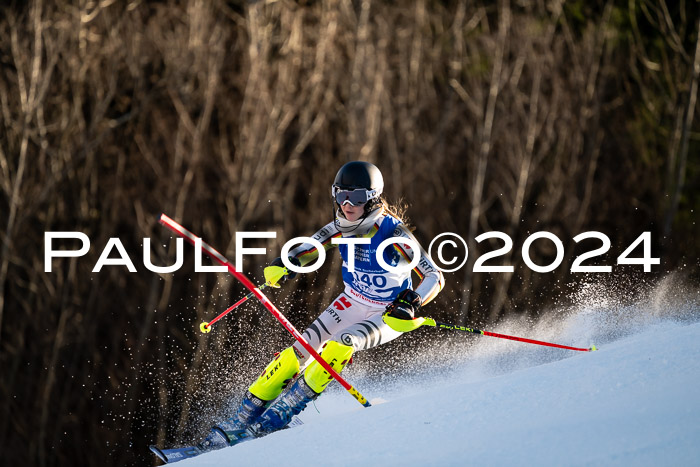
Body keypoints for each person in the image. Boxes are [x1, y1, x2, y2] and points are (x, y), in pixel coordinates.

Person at [202, 161, 444, 448]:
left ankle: (279, 417)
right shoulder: (339, 227)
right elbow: (308, 249)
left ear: (372, 199)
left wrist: (411, 302)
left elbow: (435, 276)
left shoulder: (393, 233)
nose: (347, 204)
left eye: (356, 198)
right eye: (341, 195)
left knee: (341, 344)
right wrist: (284, 264)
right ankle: (239, 420)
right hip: (351, 301)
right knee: (298, 351)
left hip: (387, 314)